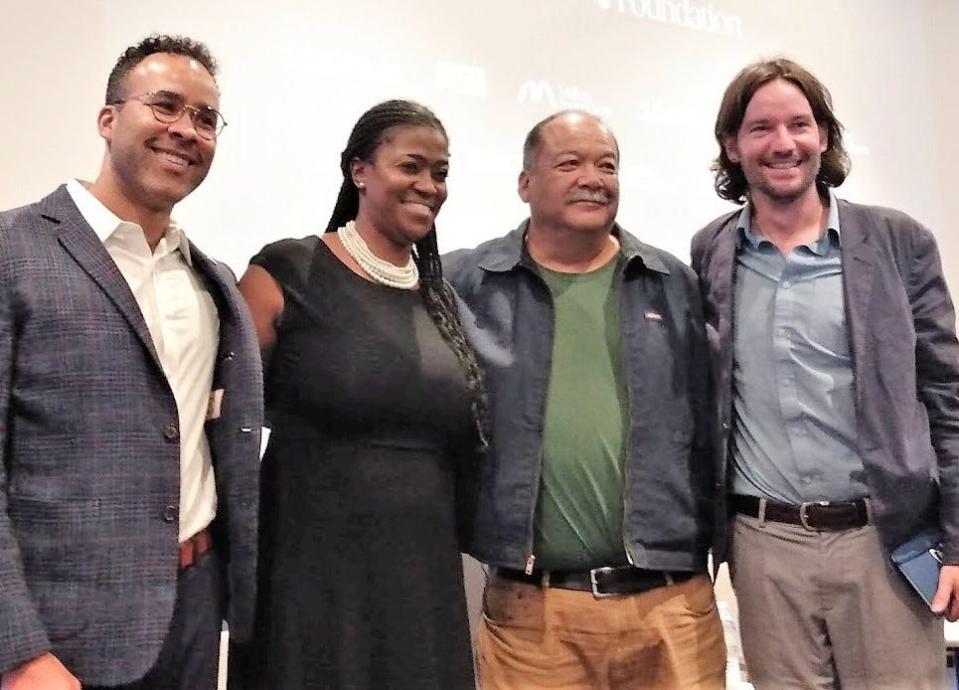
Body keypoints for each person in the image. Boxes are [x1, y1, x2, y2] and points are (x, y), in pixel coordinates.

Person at [0, 35, 263, 690]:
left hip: (194, 611)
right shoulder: (13, 252)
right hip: (61, 635)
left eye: (206, 119)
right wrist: (17, 651)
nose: (186, 131)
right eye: (166, 106)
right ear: (108, 118)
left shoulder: (212, 280)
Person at [691, 57, 959, 689]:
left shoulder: (896, 242)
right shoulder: (711, 251)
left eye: (800, 124)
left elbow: (948, 399)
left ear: (824, 137)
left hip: (885, 542)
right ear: (732, 146)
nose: (783, 144)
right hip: (763, 546)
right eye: (760, 128)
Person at [444, 110, 725, 690]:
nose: (592, 178)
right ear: (525, 183)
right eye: (568, 163)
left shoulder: (674, 284)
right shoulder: (468, 283)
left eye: (607, 165)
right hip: (535, 617)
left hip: (673, 609)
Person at [230, 99, 488, 689]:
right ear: (359, 171)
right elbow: (229, 420)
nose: (428, 185)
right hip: (308, 569)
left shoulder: (439, 299)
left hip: (422, 571)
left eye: (440, 172)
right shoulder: (286, 272)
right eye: (411, 166)